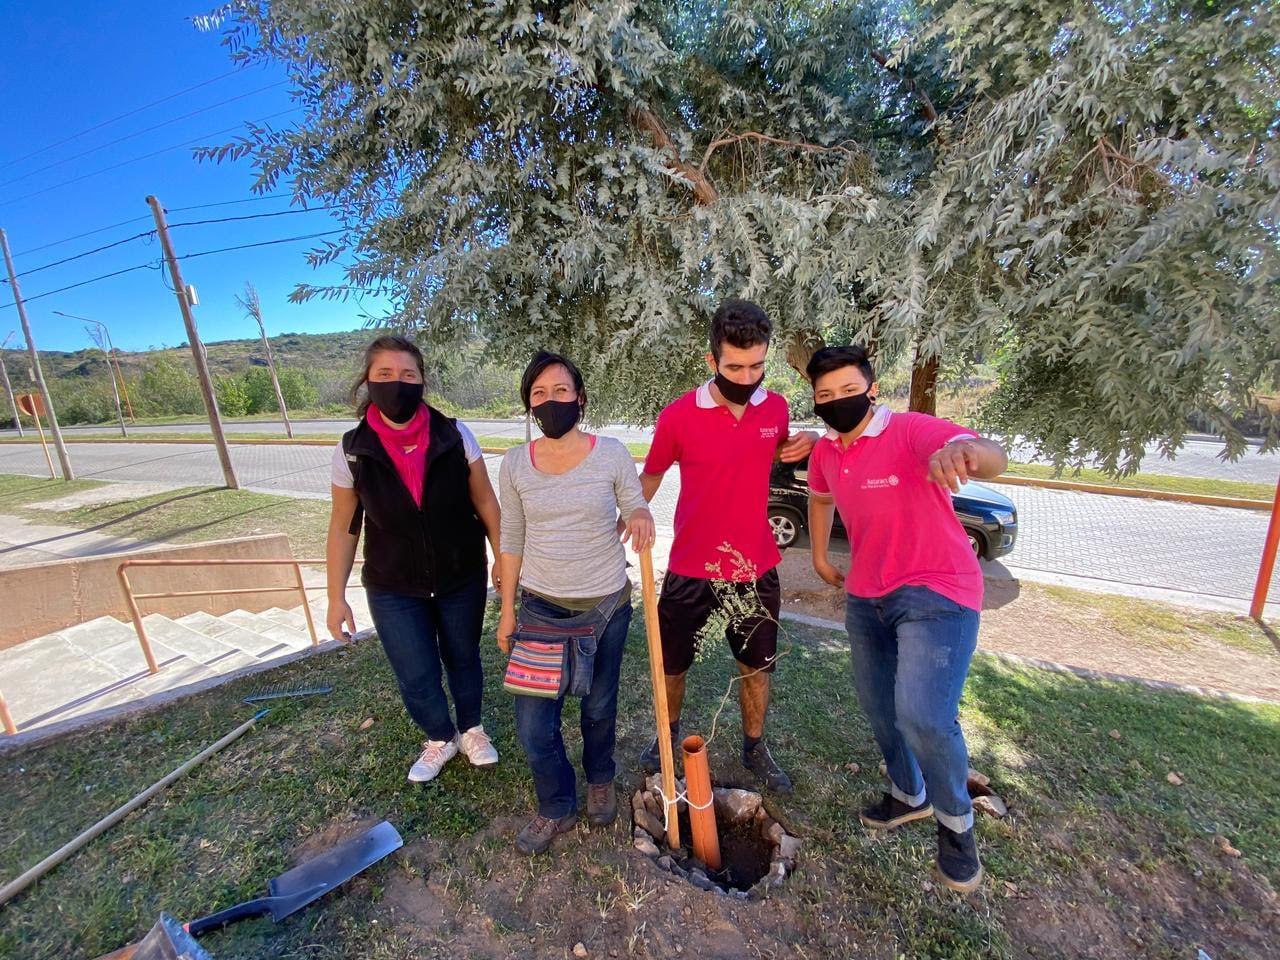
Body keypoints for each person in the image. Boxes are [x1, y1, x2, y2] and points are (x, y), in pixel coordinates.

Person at [804, 344, 1009, 894]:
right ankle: (906, 793)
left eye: (849, 390)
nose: (837, 401)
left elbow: (992, 453)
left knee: (921, 714)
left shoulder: (912, 430)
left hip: (938, 589)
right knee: (878, 707)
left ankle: (956, 825)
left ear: (872, 389)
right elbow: (820, 499)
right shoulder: (826, 452)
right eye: (826, 395)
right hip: (867, 593)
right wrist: (821, 556)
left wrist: (966, 450)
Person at [637, 299, 816, 794]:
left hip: (755, 566)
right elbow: (649, 476)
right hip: (691, 566)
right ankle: (666, 736)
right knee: (672, 665)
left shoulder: (775, 408)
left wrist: (792, 447)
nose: (747, 375)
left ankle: (754, 747)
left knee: (756, 667)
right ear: (711, 360)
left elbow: (771, 450)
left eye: (757, 365)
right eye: (735, 366)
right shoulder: (678, 416)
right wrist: (630, 511)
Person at [496, 350, 656, 855]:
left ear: (580, 398)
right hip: (541, 609)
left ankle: (601, 778)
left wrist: (640, 515)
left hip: (606, 605)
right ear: (529, 405)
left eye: (561, 391)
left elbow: (633, 500)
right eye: (538, 394)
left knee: (599, 706)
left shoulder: (611, 453)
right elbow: (512, 537)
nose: (550, 401)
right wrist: (506, 610)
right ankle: (556, 802)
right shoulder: (515, 463)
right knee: (532, 724)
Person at [326, 334, 503, 784]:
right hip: (391, 585)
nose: (397, 384)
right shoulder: (352, 449)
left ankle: (471, 730)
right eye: (385, 374)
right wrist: (335, 596)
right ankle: (439, 738)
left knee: (462, 656)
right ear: (367, 381)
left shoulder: (455, 434)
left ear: (422, 381)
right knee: (415, 667)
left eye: (408, 375)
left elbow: (486, 503)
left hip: (461, 574)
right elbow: (345, 527)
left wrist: (502, 557)